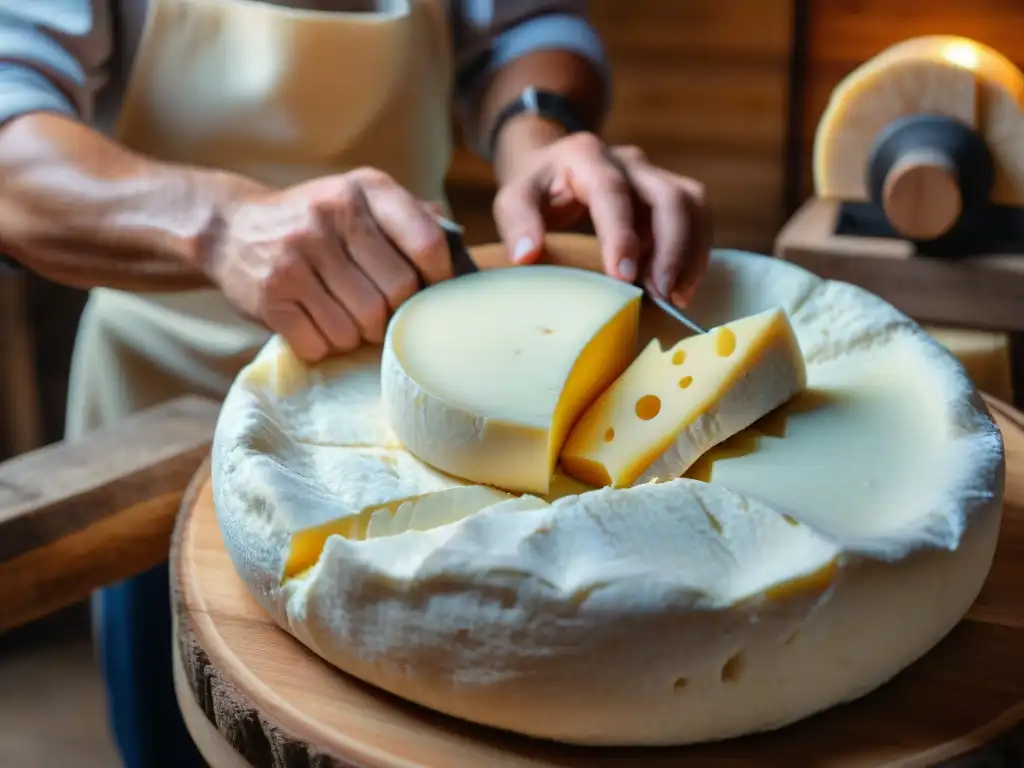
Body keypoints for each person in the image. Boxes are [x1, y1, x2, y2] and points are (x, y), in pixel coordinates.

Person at [0, 1, 712, 765]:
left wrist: (540, 133)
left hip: (408, 411)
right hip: (167, 398)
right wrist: (221, 225)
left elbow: (525, 28)